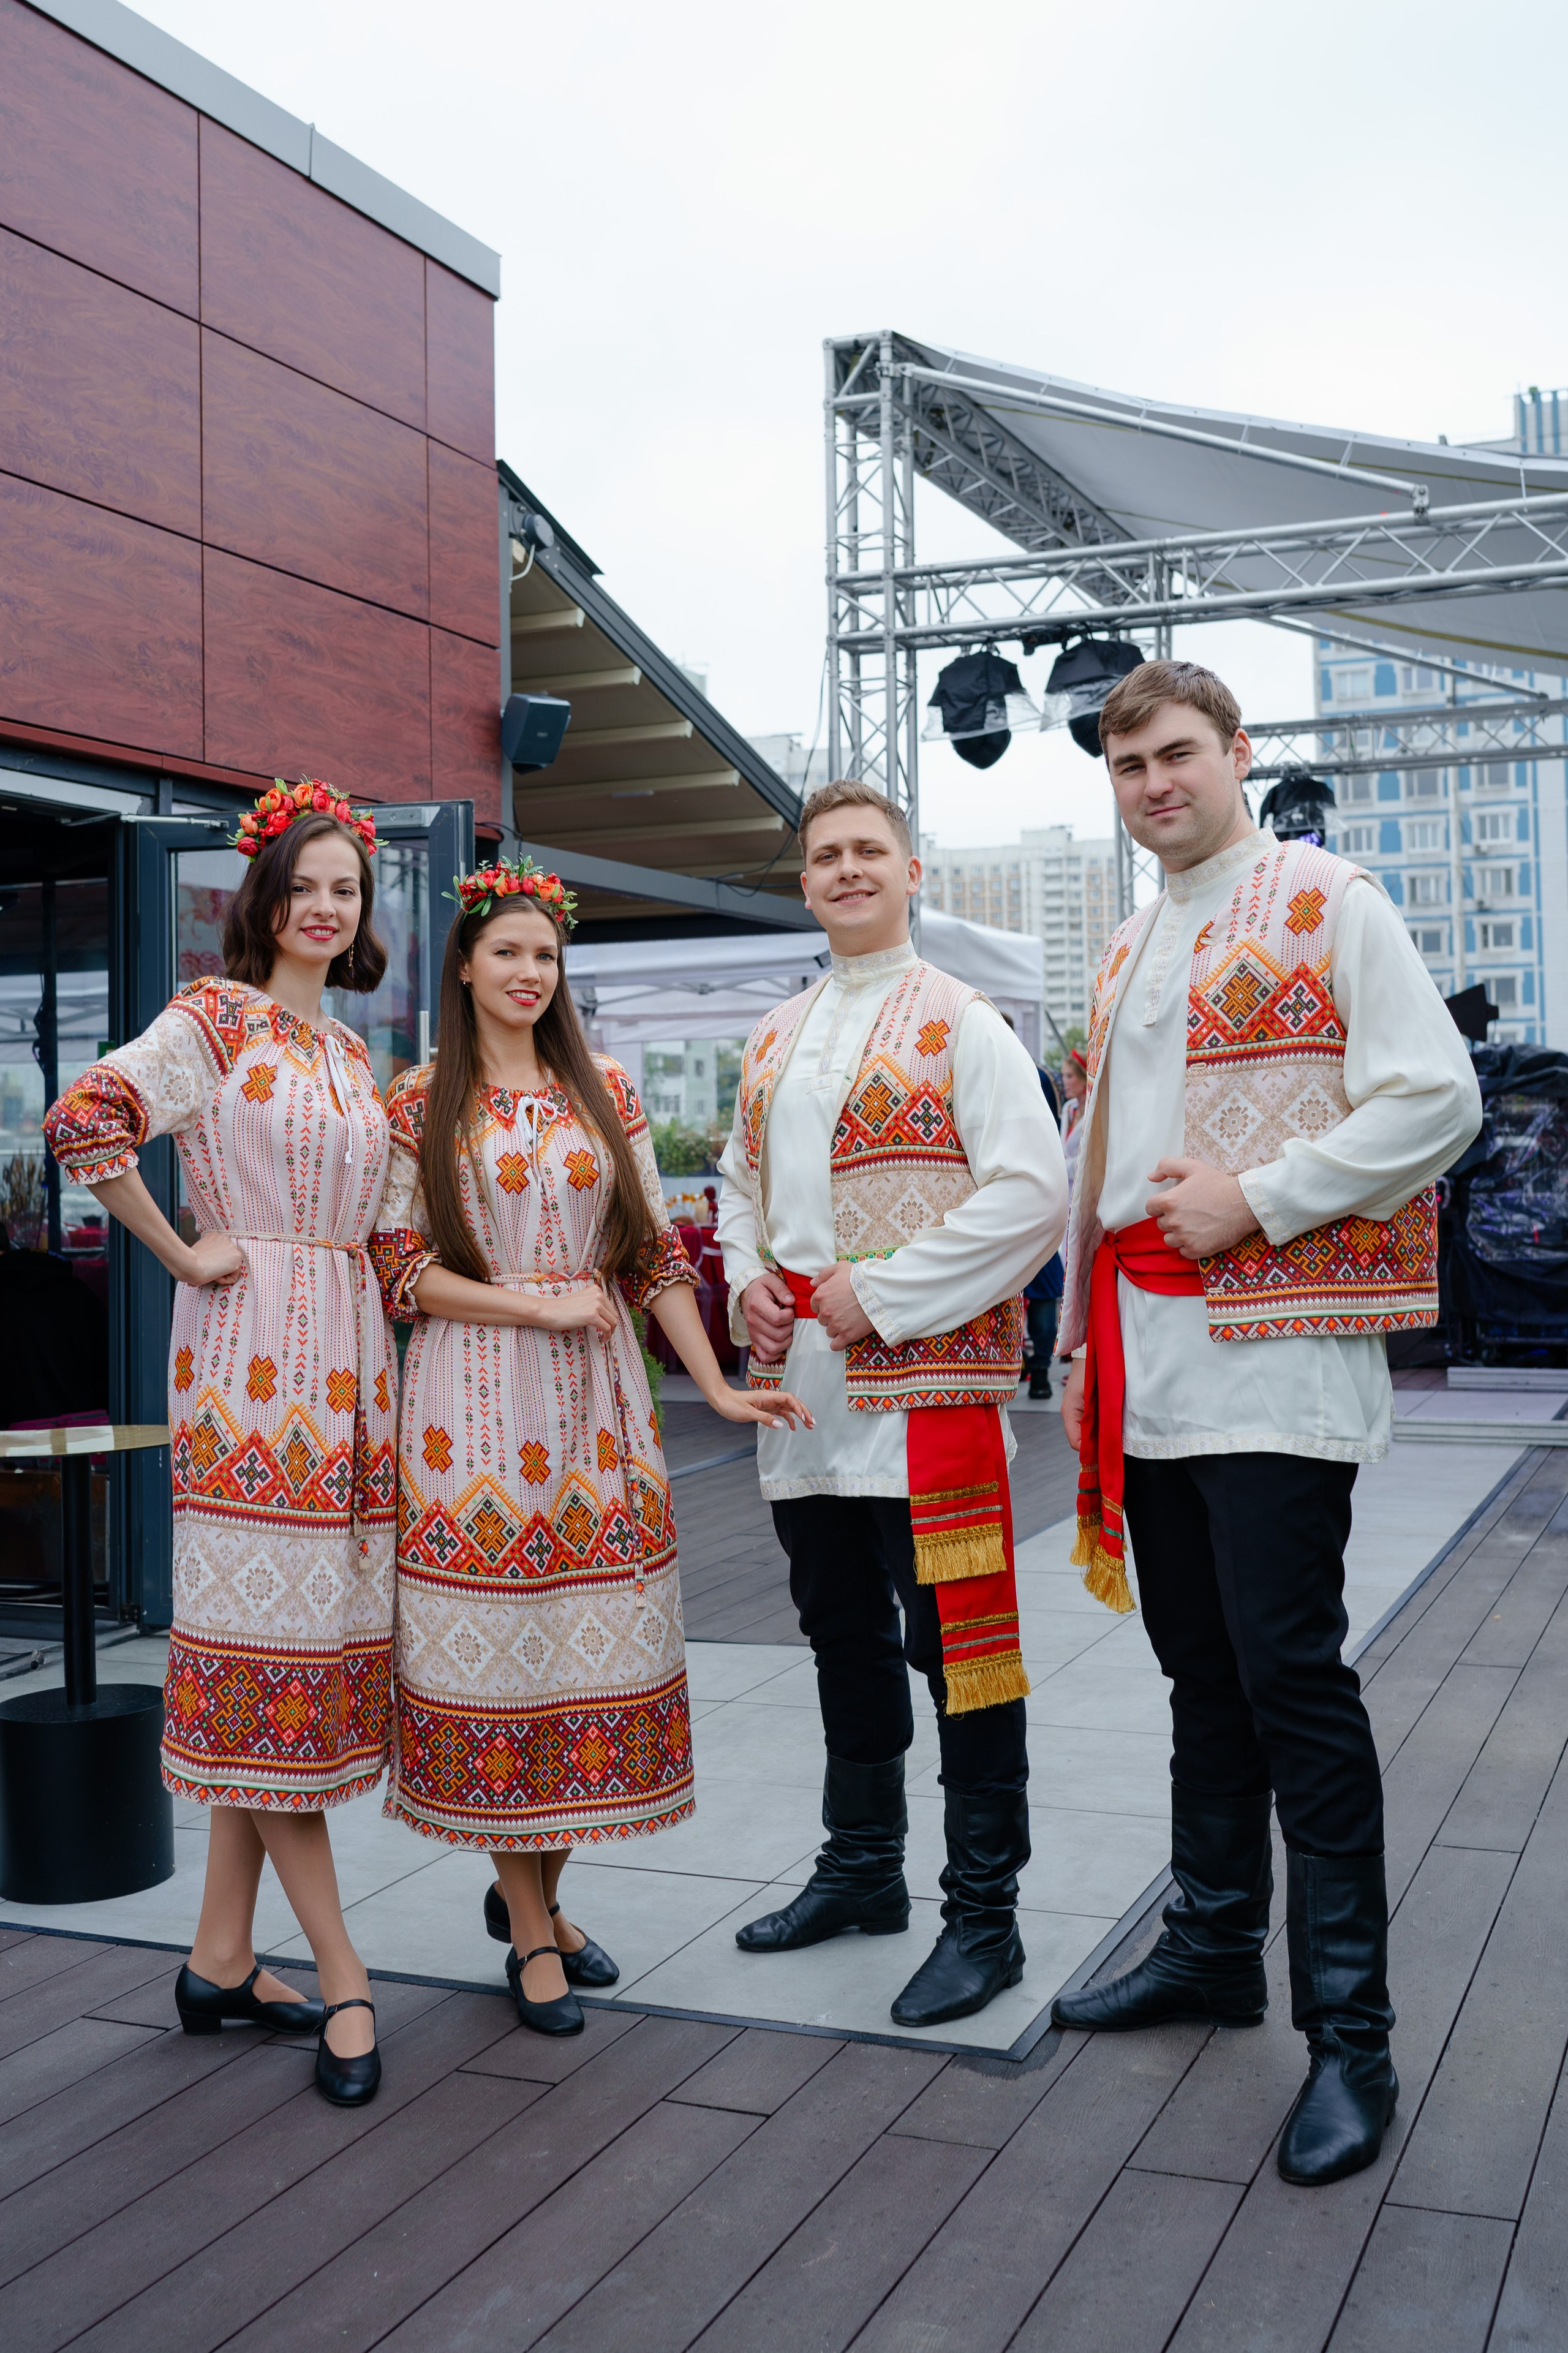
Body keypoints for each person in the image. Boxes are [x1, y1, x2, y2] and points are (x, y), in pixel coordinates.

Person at [1049, 662, 1481, 2187]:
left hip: (1274, 1349)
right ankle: (1211, 1947)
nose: (1152, 782)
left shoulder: (1324, 895)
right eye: (1125, 765)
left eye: (1175, 755)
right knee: (1196, 1672)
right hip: (1142, 1351)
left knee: (1291, 1678)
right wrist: (1066, 1349)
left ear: (1236, 754)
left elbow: (1436, 1097)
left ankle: (1349, 2040)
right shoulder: (1121, 944)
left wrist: (1262, 1197)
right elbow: (1093, 1163)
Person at [370, 856, 809, 2036]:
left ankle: (541, 1901)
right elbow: (402, 1269)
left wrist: (716, 1385)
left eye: (545, 955)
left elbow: (655, 1257)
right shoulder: (418, 1099)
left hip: (602, 1416)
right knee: (496, 1663)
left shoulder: (600, 1085)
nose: (527, 972)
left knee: (583, 1665)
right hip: (470, 1411)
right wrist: (539, 1305)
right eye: (506, 951)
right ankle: (529, 1932)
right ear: (464, 963)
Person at [45, 779, 402, 2107]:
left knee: (288, 1666)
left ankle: (217, 1957)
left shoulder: (355, 1055)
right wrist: (184, 1248)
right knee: (278, 1673)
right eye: (304, 883)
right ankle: (346, 1972)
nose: (324, 906)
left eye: (346, 888)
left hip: (351, 1361)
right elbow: (86, 1116)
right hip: (255, 1373)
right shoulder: (213, 1020)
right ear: (262, 895)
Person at [717, 780, 1068, 2028]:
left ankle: (986, 1918)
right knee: (841, 1634)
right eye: (825, 856)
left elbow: (1035, 1190)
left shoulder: (963, 1021)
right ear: (802, 883)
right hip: (805, 1394)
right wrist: (750, 1282)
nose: (847, 869)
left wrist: (890, 1291)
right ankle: (863, 1872)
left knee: (960, 1653)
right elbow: (737, 1187)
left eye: (869, 851)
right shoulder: (772, 1032)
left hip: (928, 1395)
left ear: (912, 872)